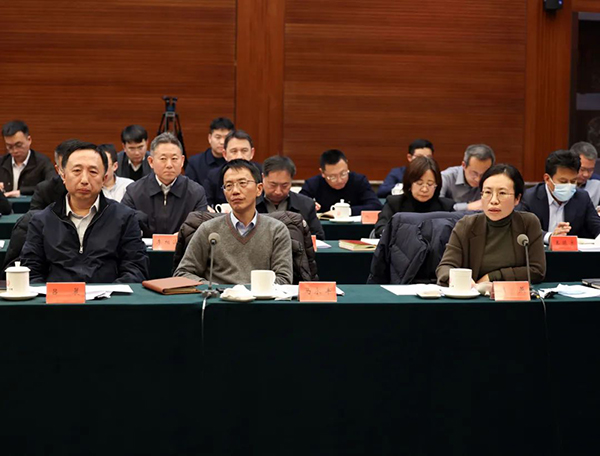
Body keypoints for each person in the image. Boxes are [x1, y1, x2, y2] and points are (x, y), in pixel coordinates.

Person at [21, 140, 149, 283]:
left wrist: (111, 293)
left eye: (93, 172)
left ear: (104, 178)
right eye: (77, 171)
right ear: (62, 174)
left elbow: (135, 269)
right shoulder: (42, 220)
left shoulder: (125, 217)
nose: (84, 180)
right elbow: (30, 273)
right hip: (57, 296)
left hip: (109, 296)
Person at [175, 159, 293, 285]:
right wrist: (215, 288)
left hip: (259, 297)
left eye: (242, 183)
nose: (235, 191)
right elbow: (182, 273)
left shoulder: (276, 230)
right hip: (218, 296)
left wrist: (244, 292)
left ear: (259, 189)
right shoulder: (208, 229)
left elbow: (284, 279)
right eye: (229, 185)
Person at [436, 164, 545, 286]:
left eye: (502, 193)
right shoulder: (466, 225)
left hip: (512, 296)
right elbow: (445, 266)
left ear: (517, 199)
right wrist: (458, 279)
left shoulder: (528, 223)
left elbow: (536, 270)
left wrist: (493, 277)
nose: (493, 201)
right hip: (473, 295)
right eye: (487, 192)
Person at [122, 132, 207, 236]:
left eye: (174, 159)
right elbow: (124, 226)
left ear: (182, 161)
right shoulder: (134, 192)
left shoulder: (196, 192)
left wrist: (184, 235)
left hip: (183, 246)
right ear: (151, 161)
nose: (169, 165)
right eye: (163, 159)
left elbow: (201, 228)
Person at [520, 149, 600, 243]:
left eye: (573, 181)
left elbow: (596, 226)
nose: (569, 186)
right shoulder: (530, 198)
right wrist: (550, 237)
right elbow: (522, 228)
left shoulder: (582, 198)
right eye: (563, 181)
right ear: (547, 179)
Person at [374, 156, 454, 238]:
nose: (424, 189)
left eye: (430, 184)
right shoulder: (395, 203)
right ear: (409, 184)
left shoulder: (446, 207)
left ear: (436, 185)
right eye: (419, 183)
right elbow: (380, 229)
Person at [256, 155, 325, 240]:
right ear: (263, 177)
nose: (278, 191)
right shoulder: (250, 203)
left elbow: (318, 237)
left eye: (284, 185)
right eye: (273, 185)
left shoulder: (306, 204)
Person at [300, 149, 382, 217]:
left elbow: (375, 206)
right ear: (322, 173)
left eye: (343, 174)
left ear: (347, 165)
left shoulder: (359, 181)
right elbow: (297, 204)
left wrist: (347, 211)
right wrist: (309, 206)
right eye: (332, 177)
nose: (339, 180)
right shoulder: (313, 183)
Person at [203, 130, 262, 207]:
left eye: (244, 151)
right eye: (234, 151)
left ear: (252, 153)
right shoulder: (213, 176)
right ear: (225, 154)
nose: (239, 156)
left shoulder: (261, 173)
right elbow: (206, 203)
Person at [0, 120, 55, 196]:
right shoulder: (2, 162)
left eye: (18, 145)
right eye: (9, 147)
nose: (15, 150)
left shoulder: (43, 162)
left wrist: (21, 192)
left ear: (29, 140)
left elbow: (52, 185)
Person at [440, 144, 495, 211]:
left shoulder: (494, 179)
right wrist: (467, 207)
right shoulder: (446, 177)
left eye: (483, 174)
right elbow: (436, 206)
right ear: (464, 165)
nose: (478, 179)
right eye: (474, 173)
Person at [30, 139, 78, 210]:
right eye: (65, 166)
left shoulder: (93, 187)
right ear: (58, 169)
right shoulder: (45, 190)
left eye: (77, 168)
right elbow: (34, 215)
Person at [186, 117, 234, 187]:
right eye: (218, 137)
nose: (222, 142)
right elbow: (190, 190)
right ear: (210, 138)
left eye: (226, 138)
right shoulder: (195, 163)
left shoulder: (236, 162)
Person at [571, 141, 600, 206]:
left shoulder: (597, 183)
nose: (586, 174)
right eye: (582, 169)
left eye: (590, 170)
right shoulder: (559, 184)